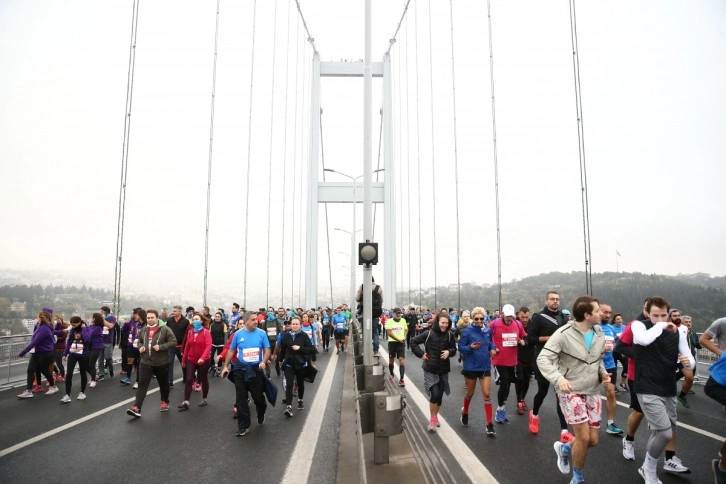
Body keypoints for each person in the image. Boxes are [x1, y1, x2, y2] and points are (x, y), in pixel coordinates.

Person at [537, 296, 609, 484]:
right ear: (586, 315)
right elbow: (542, 359)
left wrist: (604, 374)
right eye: (597, 311)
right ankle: (578, 477)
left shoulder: (599, 332)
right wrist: (558, 379)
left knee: (593, 440)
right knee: (583, 438)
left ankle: (565, 448)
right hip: (570, 390)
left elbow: (598, 359)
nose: (601, 313)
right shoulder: (563, 334)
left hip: (592, 389)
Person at [631, 296, 695, 484]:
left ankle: (646, 467)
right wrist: (661, 326)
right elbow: (642, 341)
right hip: (647, 386)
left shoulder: (679, 333)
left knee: (661, 432)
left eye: (663, 315)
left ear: (668, 313)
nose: (659, 319)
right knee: (665, 433)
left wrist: (686, 361)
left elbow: (689, 359)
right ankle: (649, 469)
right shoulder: (639, 326)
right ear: (647, 313)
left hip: (667, 387)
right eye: (655, 315)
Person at [527, 291, 573, 442]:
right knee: (542, 391)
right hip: (543, 359)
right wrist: (550, 339)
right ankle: (534, 415)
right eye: (552, 299)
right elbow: (530, 339)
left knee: (561, 394)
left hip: (560, 361)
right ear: (546, 301)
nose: (555, 301)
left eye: (557, 299)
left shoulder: (564, 318)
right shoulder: (538, 318)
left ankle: (564, 430)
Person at [220, 311, 271, 437]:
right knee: (241, 398)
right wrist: (225, 366)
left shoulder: (262, 333)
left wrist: (264, 361)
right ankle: (243, 426)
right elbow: (231, 351)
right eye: (253, 319)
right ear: (246, 321)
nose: (256, 321)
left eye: (256, 319)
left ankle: (261, 412)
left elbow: (267, 349)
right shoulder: (238, 334)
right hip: (240, 369)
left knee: (258, 397)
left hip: (255, 370)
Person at [410, 312, 457, 432]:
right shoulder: (428, 333)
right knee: (435, 394)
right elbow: (413, 341)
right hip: (430, 368)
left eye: (447, 323)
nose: (444, 325)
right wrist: (421, 354)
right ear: (437, 322)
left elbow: (453, 349)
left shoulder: (450, 335)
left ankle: (436, 417)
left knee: (440, 396)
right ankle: (432, 418)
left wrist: (449, 352)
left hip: (443, 369)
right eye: (442, 323)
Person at [126, 310, 178, 418]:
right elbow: (139, 341)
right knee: (142, 384)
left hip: (161, 362)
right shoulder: (143, 330)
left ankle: (164, 402)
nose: (150, 319)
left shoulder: (165, 329)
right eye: (148, 318)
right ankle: (137, 407)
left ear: (157, 318)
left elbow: (173, 342)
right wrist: (140, 347)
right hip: (145, 362)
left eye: (152, 317)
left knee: (163, 384)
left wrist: (161, 347)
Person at [457, 306, 497, 435]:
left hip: (485, 365)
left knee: (486, 394)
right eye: (477, 318)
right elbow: (461, 347)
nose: (479, 321)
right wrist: (470, 347)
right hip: (471, 366)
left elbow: (491, 342)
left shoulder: (487, 330)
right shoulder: (468, 331)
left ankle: (489, 424)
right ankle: (465, 411)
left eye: (482, 318)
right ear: (473, 319)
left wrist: (493, 348)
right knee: (470, 393)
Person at [489, 304, 527, 425]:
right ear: (502, 314)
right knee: (504, 384)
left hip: (512, 360)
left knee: (509, 384)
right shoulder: (494, 323)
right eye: (507, 316)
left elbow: (524, 336)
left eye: (511, 316)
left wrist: (522, 341)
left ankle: (502, 408)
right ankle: (499, 409)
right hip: (499, 360)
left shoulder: (518, 324)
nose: (509, 318)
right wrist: (493, 347)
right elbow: (485, 336)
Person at [279, 316, 316, 417]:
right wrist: (280, 360)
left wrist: (300, 348)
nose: (294, 326)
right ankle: (289, 407)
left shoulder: (304, 336)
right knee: (289, 385)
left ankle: (300, 400)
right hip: (289, 364)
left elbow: (312, 349)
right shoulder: (286, 336)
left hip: (301, 364)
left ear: (300, 325)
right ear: (290, 325)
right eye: (293, 324)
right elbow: (282, 349)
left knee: (300, 383)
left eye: (296, 324)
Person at [18, 312, 59, 398]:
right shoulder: (40, 327)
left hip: (44, 353)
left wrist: (24, 351)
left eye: (37, 317)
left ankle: (53, 387)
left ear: (41, 318)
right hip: (36, 352)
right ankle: (29, 391)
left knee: (44, 370)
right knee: (30, 370)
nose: (36, 319)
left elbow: (35, 341)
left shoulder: (44, 328)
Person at [598, 303, 624, 435]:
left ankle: (610, 424)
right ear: (598, 311)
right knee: (589, 394)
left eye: (610, 313)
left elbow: (615, 344)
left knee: (611, 393)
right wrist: (601, 349)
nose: (608, 315)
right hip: (594, 366)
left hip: (610, 365)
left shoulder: (610, 328)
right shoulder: (592, 327)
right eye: (605, 312)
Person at [179, 312, 212, 410]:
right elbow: (187, 347)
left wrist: (203, 357)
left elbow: (208, 346)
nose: (195, 321)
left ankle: (204, 399)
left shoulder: (206, 332)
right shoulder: (190, 332)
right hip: (191, 359)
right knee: (189, 379)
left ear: (201, 321)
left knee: (203, 378)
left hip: (204, 360)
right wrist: (184, 360)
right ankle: (186, 402)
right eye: (193, 319)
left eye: (197, 319)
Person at [60, 316, 90, 403]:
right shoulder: (73, 330)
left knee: (82, 373)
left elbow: (87, 340)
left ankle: (82, 392)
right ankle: (67, 395)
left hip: (83, 354)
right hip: (73, 353)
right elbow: (69, 342)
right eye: (72, 325)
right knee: (69, 374)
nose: (73, 326)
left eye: (75, 324)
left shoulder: (86, 328)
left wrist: (83, 329)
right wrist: (65, 354)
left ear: (80, 322)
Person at [668, 309, 694, 408]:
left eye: (679, 315)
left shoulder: (684, 328)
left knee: (690, 378)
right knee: (668, 380)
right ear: (670, 317)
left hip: (682, 357)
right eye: (674, 315)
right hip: (670, 357)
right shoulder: (666, 327)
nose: (677, 317)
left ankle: (682, 396)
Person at [515, 307, 535, 415]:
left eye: (526, 317)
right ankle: (519, 402)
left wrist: (526, 341)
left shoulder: (533, 326)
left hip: (530, 356)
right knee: (520, 378)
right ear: (518, 315)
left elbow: (535, 338)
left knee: (527, 380)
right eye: (522, 317)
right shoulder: (515, 324)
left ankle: (522, 398)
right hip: (517, 356)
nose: (524, 319)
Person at [356, 278, 383, 355]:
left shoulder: (362, 286)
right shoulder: (378, 287)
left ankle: (366, 350)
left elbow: (357, 299)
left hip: (364, 314)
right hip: (375, 314)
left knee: (365, 333)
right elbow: (381, 300)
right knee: (375, 333)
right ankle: (376, 350)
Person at [166, 305, 190, 388]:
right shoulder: (169, 320)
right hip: (171, 346)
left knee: (183, 363)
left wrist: (186, 345)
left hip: (181, 347)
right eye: (173, 311)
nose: (173, 312)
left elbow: (187, 334)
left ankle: (186, 377)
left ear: (180, 311)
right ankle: (170, 381)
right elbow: (167, 331)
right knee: (169, 363)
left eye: (175, 311)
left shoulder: (186, 321)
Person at [385, 308, 408, 387]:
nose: (398, 315)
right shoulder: (389, 321)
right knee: (391, 361)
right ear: (393, 313)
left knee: (401, 361)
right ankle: (391, 374)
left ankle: (401, 379)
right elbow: (389, 333)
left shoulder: (403, 320)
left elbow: (406, 329)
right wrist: (398, 339)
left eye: (400, 313)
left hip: (401, 343)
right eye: (397, 313)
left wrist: (404, 336)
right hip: (392, 343)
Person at [87, 313, 105, 387]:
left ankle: (93, 380)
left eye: (92, 317)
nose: (91, 318)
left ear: (95, 319)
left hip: (96, 347)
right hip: (90, 347)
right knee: (87, 364)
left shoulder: (98, 328)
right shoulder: (91, 326)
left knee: (91, 363)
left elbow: (89, 334)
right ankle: (94, 376)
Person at [99, 305, 118, 378]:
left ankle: (111, 370)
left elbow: (110, 326)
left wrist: (103, 320)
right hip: (100, 341)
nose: (100, 313)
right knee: (100, 359)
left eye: (102, 312)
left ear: (106, 312)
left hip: (108, 341)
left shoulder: (112, 318)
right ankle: (101, 374)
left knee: (108, 358)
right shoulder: (99, 318)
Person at [209, 311, 227, 376]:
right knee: (211, 356)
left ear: (221, 317)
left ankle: (219, 369)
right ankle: (212, 366)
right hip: (213, 343)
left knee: (220, 358)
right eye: (216, 316)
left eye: (218, 317)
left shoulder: (223, 325)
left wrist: (225, 344)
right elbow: (210, 334)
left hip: (220, 344)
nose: (217, 318)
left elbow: (225, 335)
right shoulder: (212, 324)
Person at [52, 314, 69, 383]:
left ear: (60, 319)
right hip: (55, 347)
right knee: (54, 362)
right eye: (55, 320)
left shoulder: (64, 327)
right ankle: (58, 373)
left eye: (57, 319)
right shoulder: (55, 327)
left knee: (59, 363)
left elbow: (63, 338)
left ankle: (62, 375)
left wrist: (56, 338)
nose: (55, 321)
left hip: (61, 347)